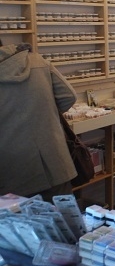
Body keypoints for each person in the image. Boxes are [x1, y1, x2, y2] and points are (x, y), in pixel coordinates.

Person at [0, 42, 77, 202]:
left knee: (22, 217)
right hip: (54, 162)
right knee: (64, 215)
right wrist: (44, 114)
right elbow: (68, 96)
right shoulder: (37, 61)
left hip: (13, 172)